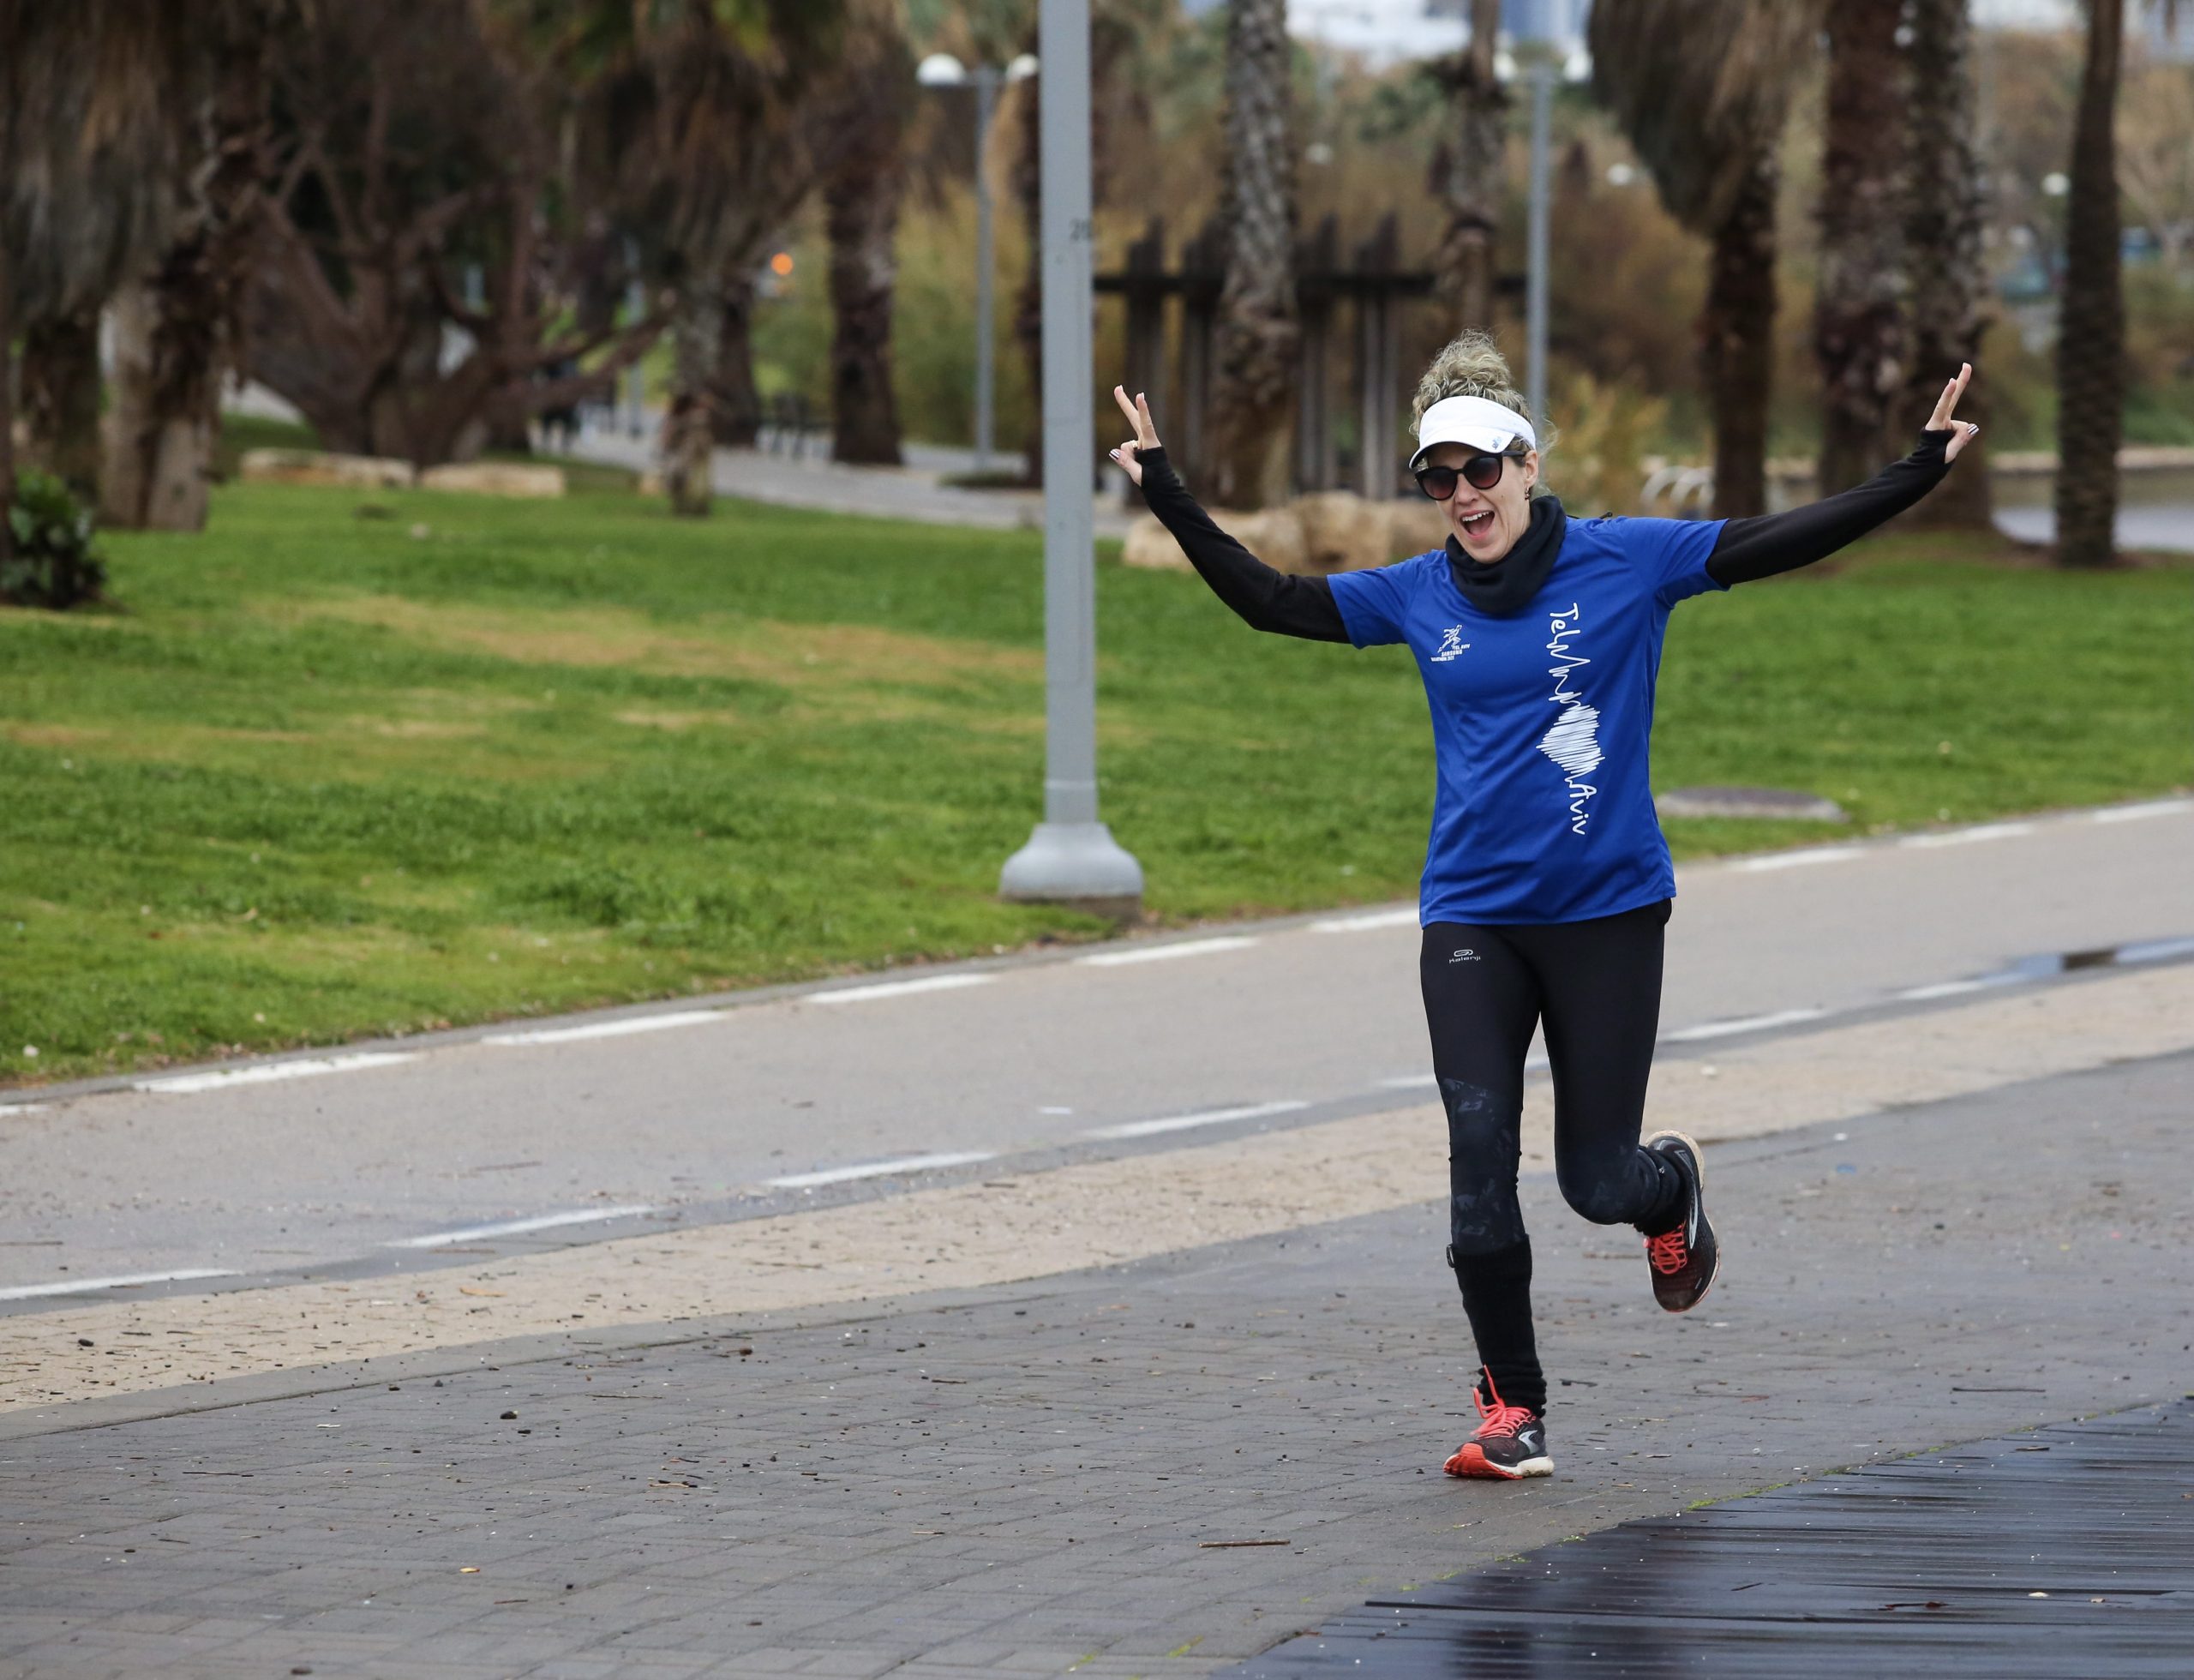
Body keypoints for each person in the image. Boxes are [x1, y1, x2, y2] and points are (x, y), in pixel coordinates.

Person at [1111, 334, 1978, 1481]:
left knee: (1592, 1182)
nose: (1464, 497)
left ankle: (1667, 1188)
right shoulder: (1417, 595)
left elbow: (1777, 541)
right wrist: (1168, 489)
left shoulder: (1630, 561)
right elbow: (1272, 602)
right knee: (1477, 1158)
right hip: (1471, 914)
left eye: (1482, 471)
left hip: (1608, 913)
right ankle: (1513, 1411)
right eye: (1440, 479)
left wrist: (1915, 471)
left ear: (1527, 464)